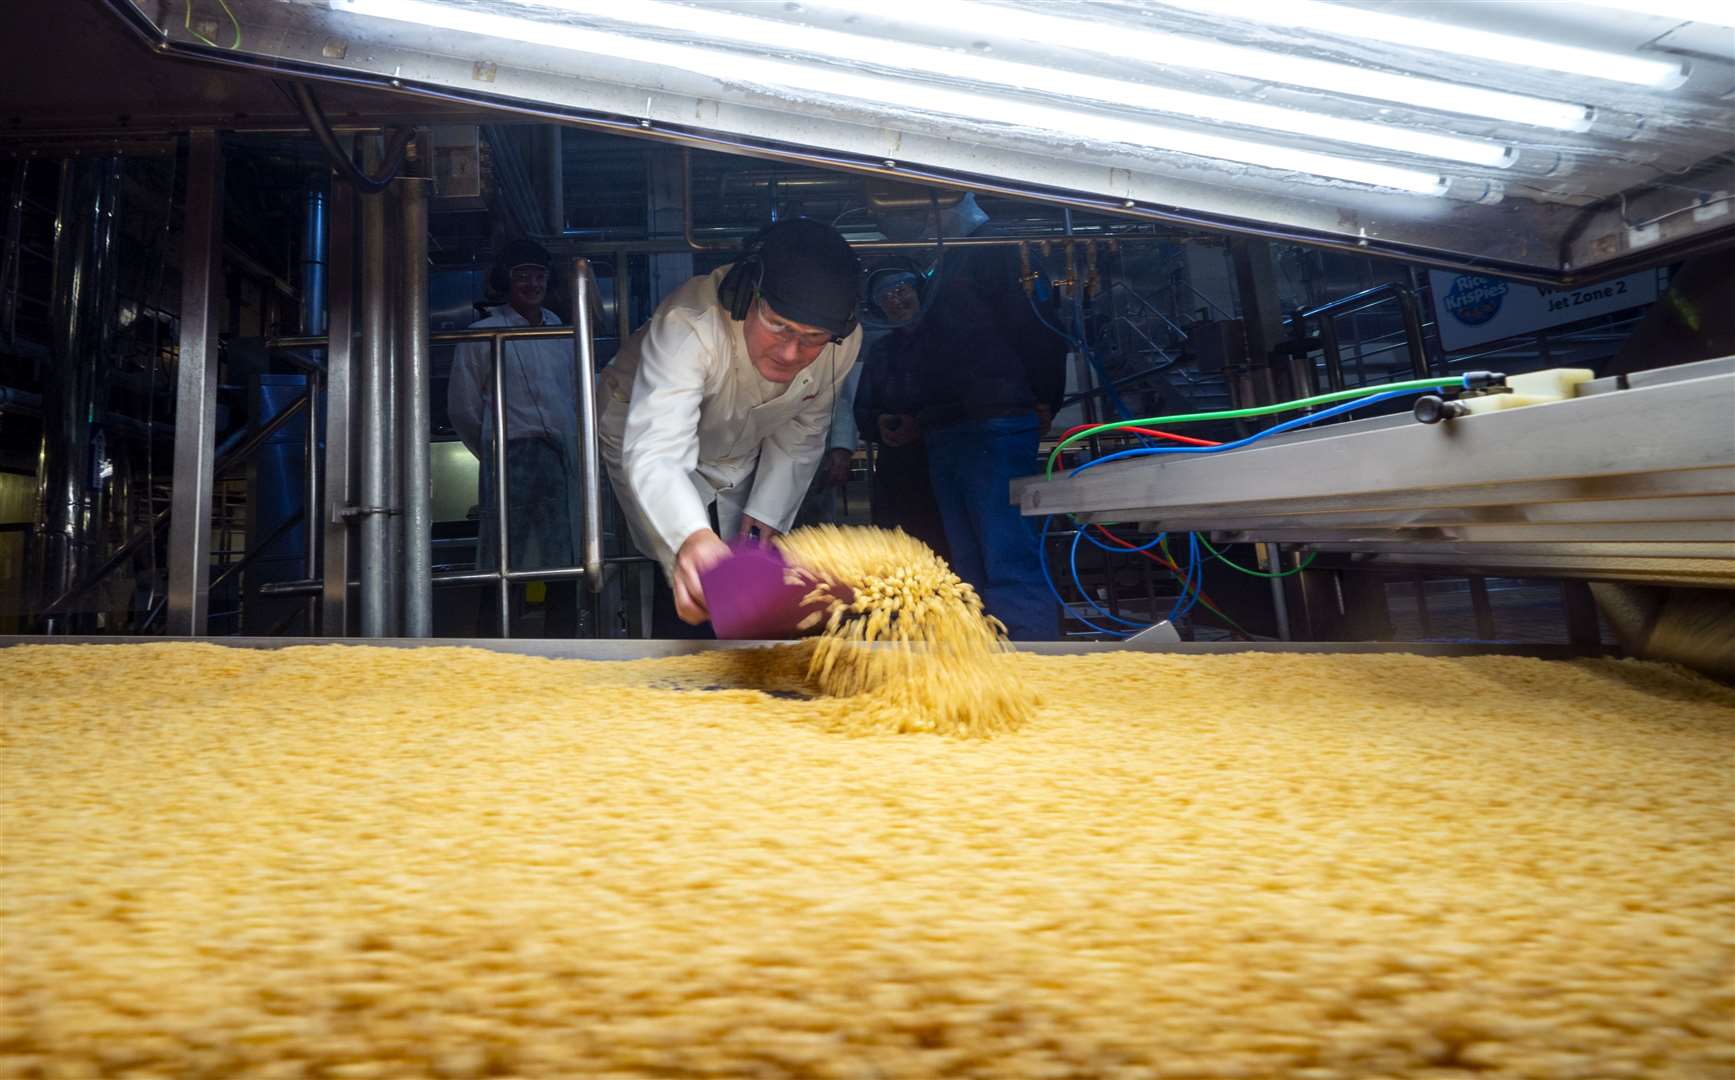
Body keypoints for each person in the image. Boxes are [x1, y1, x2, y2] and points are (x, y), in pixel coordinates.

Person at [598, 219, 862, 627]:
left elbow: (802, 433)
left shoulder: (842, 343)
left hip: (741, 440)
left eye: (812, 337)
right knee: (687, 559)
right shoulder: (690, 324)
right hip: (645, 424)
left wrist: (763, 524)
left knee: (747, 554)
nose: (792, 352)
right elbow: (659, 451)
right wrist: (690, 537)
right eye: (780, 326)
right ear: (745, 295)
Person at [902, 246, 1066, 640]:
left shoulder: (991, 250)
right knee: (969, 561)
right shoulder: (938, 266)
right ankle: (985, 658)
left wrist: (1043, 396)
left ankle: (1031, 659)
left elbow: (1039, 328)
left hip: (996, 417)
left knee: (1005, 553)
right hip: (949, 421)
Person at [446, 238, 581, 636]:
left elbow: (574, 393)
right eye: (523, 275)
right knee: (501, 561)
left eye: (538, 275)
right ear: (506, 280)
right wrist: (494, 448)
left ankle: (564, 650)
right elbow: (463, 406)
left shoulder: (562, 329)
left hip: (558, 454)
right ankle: (493, 648)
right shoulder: (483, 333)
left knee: (564, 560)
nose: (532, 283)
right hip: (510, 455)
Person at [850, 269, 951, 561]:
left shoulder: (949, 340)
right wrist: (878, 424)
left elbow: (965, 399)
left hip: (943, 458)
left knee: (947, 543)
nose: (896, 300)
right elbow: (863, 407)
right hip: (898, 467)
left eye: (901, 289)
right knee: (900, 549)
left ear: (919, 291)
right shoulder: (881, 351)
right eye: (886, 296)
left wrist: (922, 425)